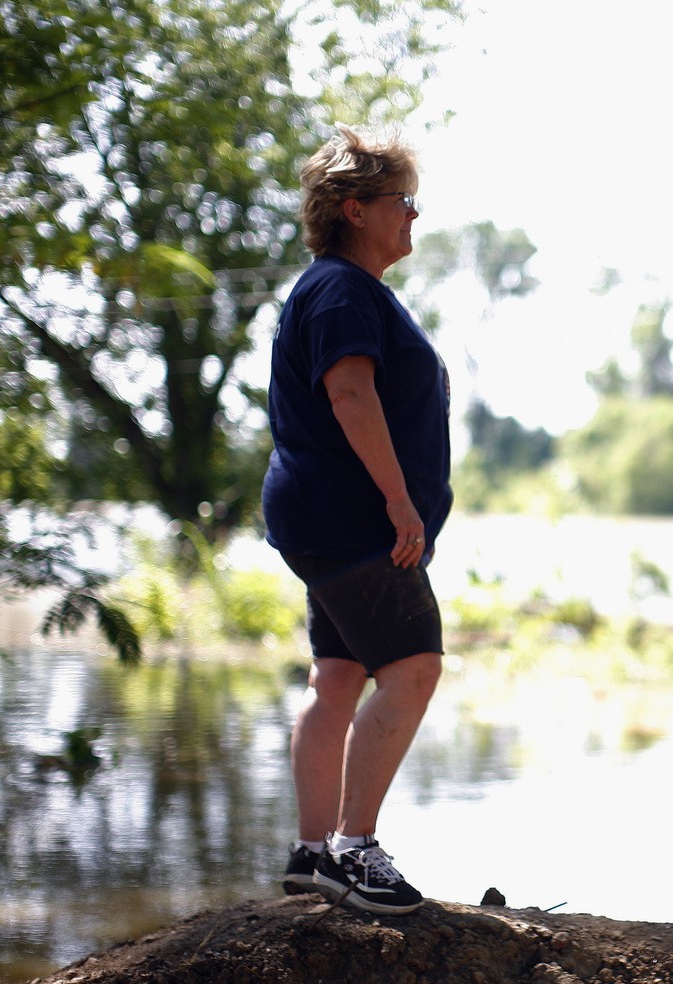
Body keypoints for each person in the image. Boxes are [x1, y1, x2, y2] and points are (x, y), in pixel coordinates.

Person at [262, 124, 452, 915]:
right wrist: (400, 500)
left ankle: (311, 854)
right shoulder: (341, 289)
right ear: (351, 209)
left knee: (338, 679)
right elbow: (349, 394)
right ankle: (353, 849)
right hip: (352, 520)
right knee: (412, 668)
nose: (413, 216)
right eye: (401, 202)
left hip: (319, 516)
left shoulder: (333, 288)